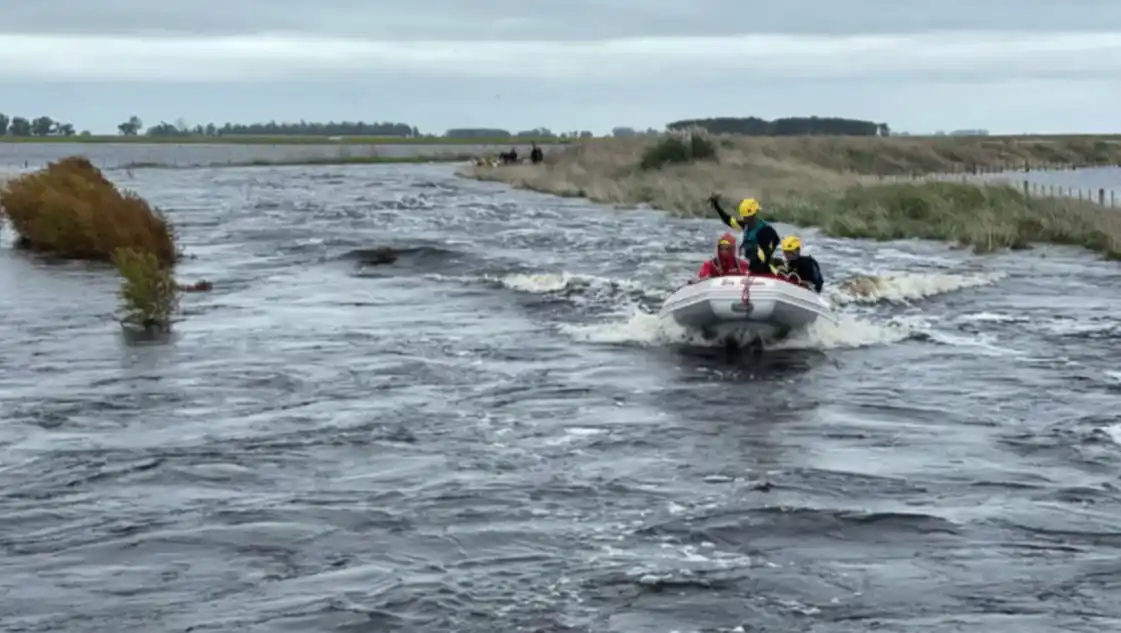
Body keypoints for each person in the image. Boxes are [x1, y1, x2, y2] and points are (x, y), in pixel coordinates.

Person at [707, 194, 782, 272]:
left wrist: (768, 254)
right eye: (745, 217)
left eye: (749, 217)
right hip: (749, 265)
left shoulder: (766, 229)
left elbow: (776, 240)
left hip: (763, 267)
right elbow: (729, 221)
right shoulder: (746, 225)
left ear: (754, 214)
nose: (746, 219)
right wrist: (717, 207)